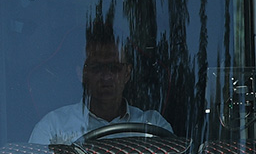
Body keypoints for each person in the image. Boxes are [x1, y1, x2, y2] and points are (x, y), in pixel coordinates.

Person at [28, 20, 166, 146]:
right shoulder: (53, 128)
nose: (106, 77)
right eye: (96, 68)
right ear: (81, 73)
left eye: (115, 68)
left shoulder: (153, 125)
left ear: (127, 73)